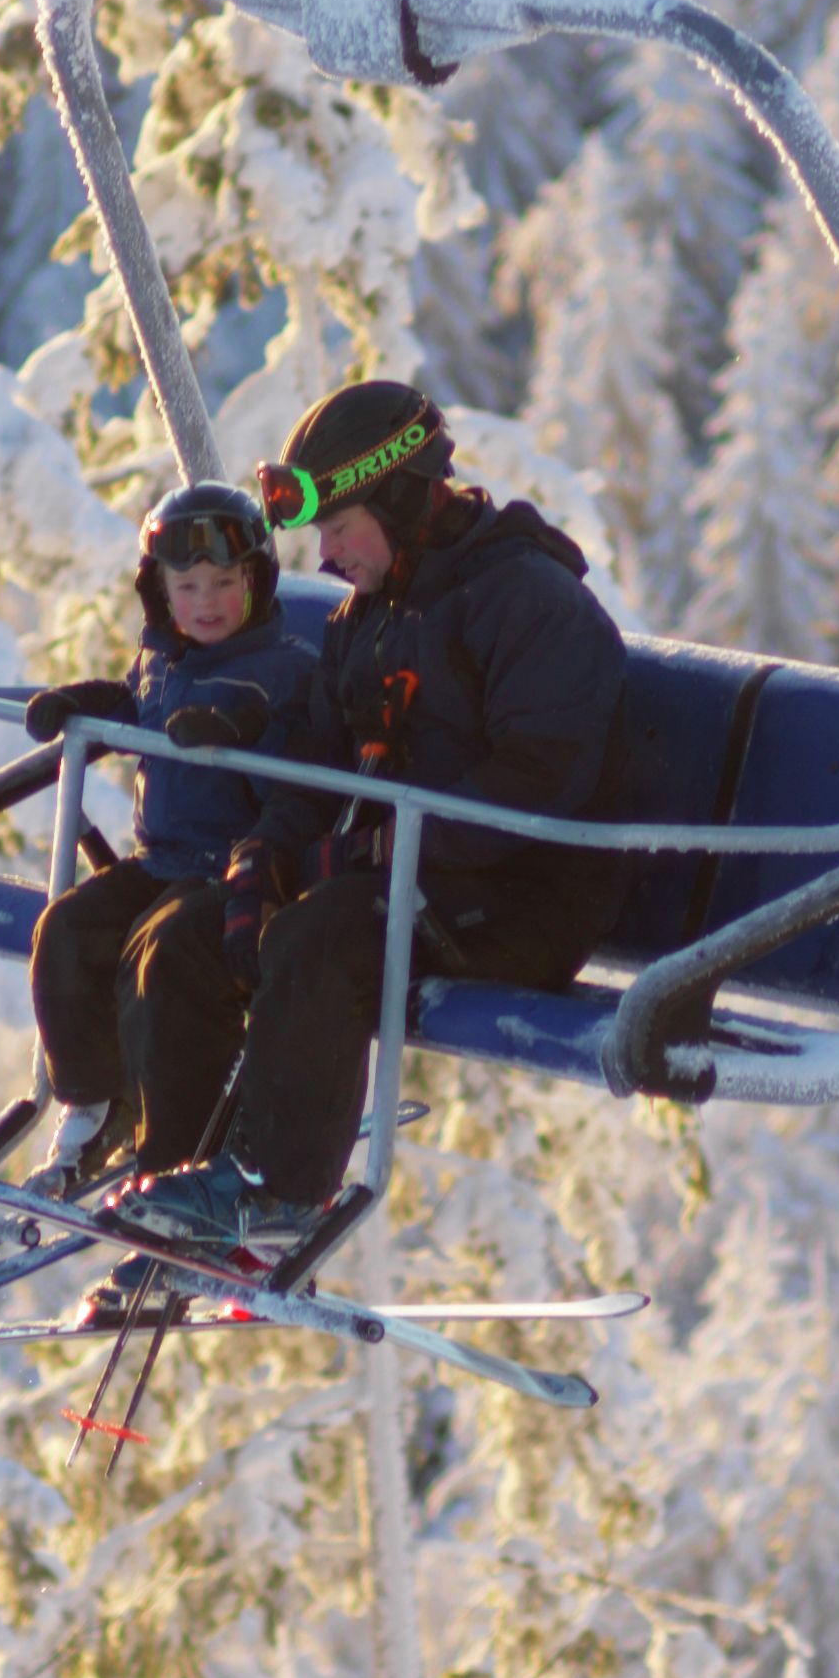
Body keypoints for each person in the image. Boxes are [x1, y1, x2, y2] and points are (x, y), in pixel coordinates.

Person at [127, 376, 627, 1256]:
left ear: (399, 498)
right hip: (406, 877)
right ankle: (176, 1180)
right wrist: (264, 855)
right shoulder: (375, 615)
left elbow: (537, 785)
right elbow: (320, 759)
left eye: (339, 528)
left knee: (323, 935)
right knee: (202, 929)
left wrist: (373, 850)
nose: (326, 558)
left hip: (521, 898)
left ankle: (275, 1193)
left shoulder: (526, 601)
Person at [10, 477, 334, 1187]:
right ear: (159, 593)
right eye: (187, 588)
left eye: (224, 583)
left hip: (237, 871)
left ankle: (172, 1153)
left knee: (162, 961)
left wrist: (234, 728)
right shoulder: (165, 662)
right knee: (67, 929)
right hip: (163, 861)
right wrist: (86, 705)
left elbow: (288, 752)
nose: (206, 604)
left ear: (257, 582)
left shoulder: (282, 671)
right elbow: (138, 705)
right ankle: (97, 1103)